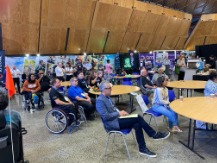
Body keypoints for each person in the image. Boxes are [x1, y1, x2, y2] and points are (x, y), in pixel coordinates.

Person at [96, 81, 170, 158]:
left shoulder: (108, 97)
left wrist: (121, 112)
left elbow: (114, 108)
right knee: (137, 117)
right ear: (104, 89)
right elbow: (105, 116)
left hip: (118, 119)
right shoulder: (100, 101)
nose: (111, 89)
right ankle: (153, 134)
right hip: (112, 124)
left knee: (137, 124)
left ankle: (142, 148)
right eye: (109, 88)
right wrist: (118, 114)